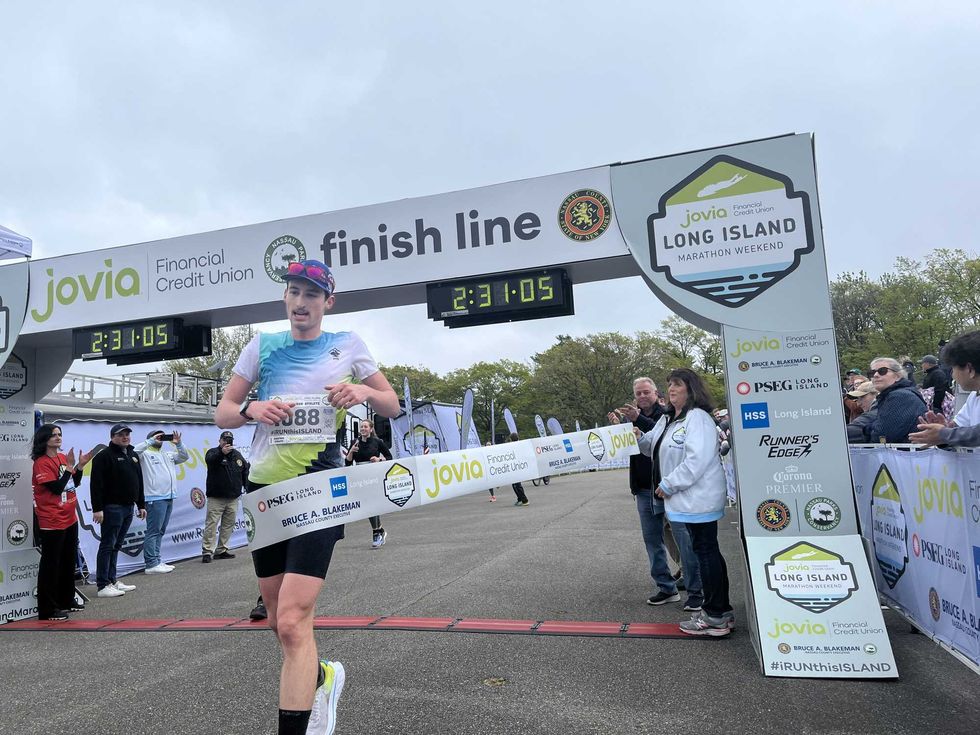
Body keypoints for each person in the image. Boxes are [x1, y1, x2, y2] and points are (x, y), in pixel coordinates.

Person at [215, 259, 399, 735]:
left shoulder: (348, 345)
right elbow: (223, 413)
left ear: (327, 303)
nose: (301, 302)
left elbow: (392, 404)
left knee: (295, 621)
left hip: (320, 490)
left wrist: (361, 390)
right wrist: (252, 408)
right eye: (294, 292)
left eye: (311, 295)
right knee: (278, 621)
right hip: (265, 491)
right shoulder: (262, 346)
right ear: (285, 299)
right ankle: (321, 675)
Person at [636, 368, 734, 636]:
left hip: (697, 499)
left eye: (677, 384)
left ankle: (716, 616)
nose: (671, 389)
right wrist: (638, 438)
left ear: (691, 388)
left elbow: (697, 460)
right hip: (683, 502)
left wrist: (668, 484)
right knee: (704, 553)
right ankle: (719, 611)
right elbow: (652, 449)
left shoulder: (698, 418)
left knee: (706, 553)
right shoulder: (668, 419)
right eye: (668, 384)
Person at [608, 377, 701, 610]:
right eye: (638, 393)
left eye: (646, 392)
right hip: (642, 487)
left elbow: (661, 437)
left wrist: (637, 419)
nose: (641, 397)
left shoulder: (667, 414)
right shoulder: (631, 417)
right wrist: (618, 427)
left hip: (668, 486)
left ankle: (695, 589)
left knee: (683, 538)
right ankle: (666, 587)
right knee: (653, 540)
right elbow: (624, 446)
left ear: (655, 393)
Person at [31, 425, 94, 620]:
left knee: (68, 560)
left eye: (59, 434)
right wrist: (69, 468)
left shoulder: (61, 457)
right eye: (53, 435)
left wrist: (80, 467)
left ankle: (67, 599)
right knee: (51, 564)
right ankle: (48, 609)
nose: (58, 438)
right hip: (52, 519)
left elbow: (72, 483)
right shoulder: (41, 463)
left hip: (69, 516)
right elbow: (57, 488)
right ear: (44, 439)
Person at [89, 424, 146, 598]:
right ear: (113, 436)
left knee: (117, 545)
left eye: (127, 434)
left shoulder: (133, 454)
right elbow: (96, 485)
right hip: (111, 507)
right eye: (121, 434)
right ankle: (102, 584)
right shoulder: (104, 456)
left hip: (129, 507)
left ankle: (112, 580)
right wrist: (97, 509)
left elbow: (139, 481)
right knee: (108, 545)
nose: (125, 437)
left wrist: (141, 504)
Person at [911, 331, 980, 446]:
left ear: (969, 369)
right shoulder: (974, 396)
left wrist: (945, 434)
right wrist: (943, 429)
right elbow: (961, 427)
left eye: (953, 368)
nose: (952, 375)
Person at [135, 429, 189, 574]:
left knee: (160, 531)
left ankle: (157, 560)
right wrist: (150, 441)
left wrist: (179, 444)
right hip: (154, 497)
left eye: (161, 436)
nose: (160, 438)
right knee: (153, 531)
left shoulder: (167, 454)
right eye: (157, 436)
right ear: (150, 439)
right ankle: (151, 563)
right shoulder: (144, 454)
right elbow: (134, 452)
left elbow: (184, 457)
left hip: (168, 496)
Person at [203, 430, 249, 563]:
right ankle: (207, 551)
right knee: (211, 525)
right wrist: (221, 452)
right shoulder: (213, 452)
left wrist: (246, 486)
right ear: (220, 441)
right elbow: (210, 460)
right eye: (225, 439)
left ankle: (221, 549)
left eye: (229, 439)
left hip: (233, 497)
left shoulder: (236, 455)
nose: (227, 442)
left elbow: (245, 470)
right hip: (216, 497)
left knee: (228, 525)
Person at [344, 419, 392, 548]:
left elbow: (389, 457)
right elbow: (347, 463)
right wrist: (351, 452)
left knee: (372, 504)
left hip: (374, 474)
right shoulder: (355, 442)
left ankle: (376, 533)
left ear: (371, 429)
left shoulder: (378, 442)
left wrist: (378, 459)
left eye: (365, 427)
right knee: (367, 506)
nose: (363, 429)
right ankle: (380, 530)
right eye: (361, 427)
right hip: (360, 476)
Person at [867, 357, 927, 443]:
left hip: (909, 455)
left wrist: (866, 430)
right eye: (872, 373)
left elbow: (882, 437)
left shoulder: (900, 396)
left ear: (898, 376)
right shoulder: (889, 395)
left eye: (882, 371)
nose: (875, 375)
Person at [508, 432, 529, 506]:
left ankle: (524, 500)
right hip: (517, 466)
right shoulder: (519, 444)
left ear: (511, 439)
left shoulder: (514, 446)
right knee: (515, 484)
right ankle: (520, 499)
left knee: (517, 485)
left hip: (516, 467)